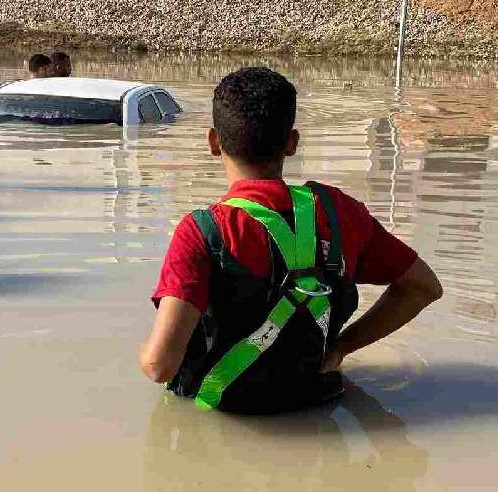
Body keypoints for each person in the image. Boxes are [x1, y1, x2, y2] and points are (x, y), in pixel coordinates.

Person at [139, 67, 442, 413]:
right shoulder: (340, 213)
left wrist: (142, 350)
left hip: (226, 417)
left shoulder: (203, 232)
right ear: (292, 143)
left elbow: (158, 366)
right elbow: (423, 286)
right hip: (316, 403)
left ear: (212, 142)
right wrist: (342, 348)